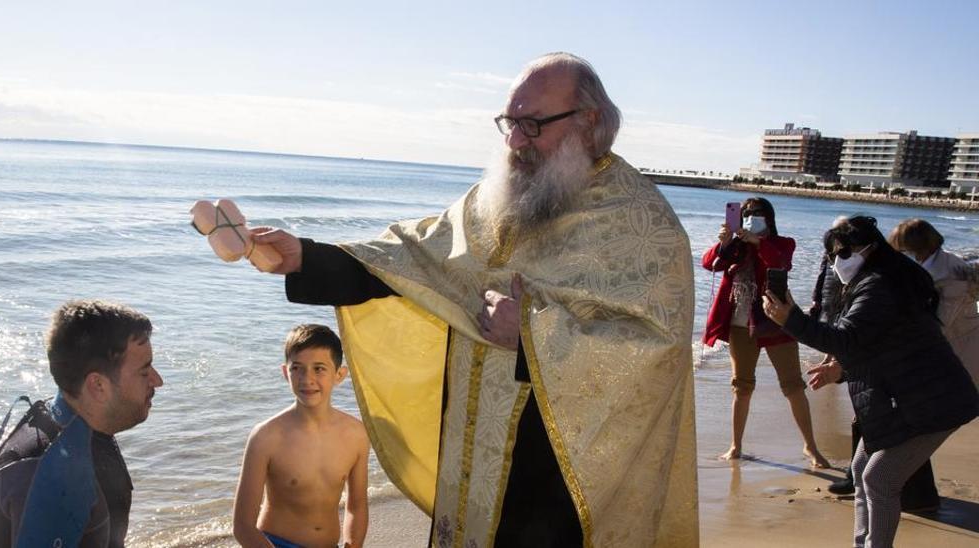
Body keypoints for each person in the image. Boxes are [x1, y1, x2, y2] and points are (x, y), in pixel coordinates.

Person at [251, 52, 698, 547]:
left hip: (566, 479)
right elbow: (416, 256)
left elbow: (658, 349)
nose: (514, 143)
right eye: (509, 123)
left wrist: (530, 336)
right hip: (476, 458)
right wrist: (305, 259)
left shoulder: (643, 225)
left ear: (589, 122)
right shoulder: (499, 197)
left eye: (531, 125)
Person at [763, 216, 978, 547]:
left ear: (871, 248)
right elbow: (878, 345)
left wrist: (791, 320)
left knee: (880, 478)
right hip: (906, 396)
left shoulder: (879, 285)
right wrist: (841, 371)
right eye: (833, 255)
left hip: (931, 401)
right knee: (865, 471)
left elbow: (846, 339)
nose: (838, 261)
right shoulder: (878, 281)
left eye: (845, 252)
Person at [0, 300, 164, 548]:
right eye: (144, 371)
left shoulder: (75, 426)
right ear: (98, 386)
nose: (158, 381)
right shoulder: (53, 474)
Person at [700, 197, 829, 468]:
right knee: (741, 386)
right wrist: (724, 243)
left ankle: (811, 447)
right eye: (746, 214)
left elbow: (779, 263)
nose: (751, 217)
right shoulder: (735, 247)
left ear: (769, 218)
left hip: (777, 321)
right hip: (739, 324)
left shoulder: (783, 243)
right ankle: (735, 446)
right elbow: (709, 264)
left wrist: (759, 242)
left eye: (757, 214)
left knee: (793, 385)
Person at [233, 324, 370, 548]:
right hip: (275, 544)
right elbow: (242, 526)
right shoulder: (266, 437)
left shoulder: (356, 435)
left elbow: (357, 505)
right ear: (286, 373)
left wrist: (353, 544)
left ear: (339, 374)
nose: (307, 379)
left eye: (319, 369)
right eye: (297, 368)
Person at [888, 218, 979, 387]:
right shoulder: (935, 266)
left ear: (918, 249)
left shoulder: (950, 277)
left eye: (899, 252)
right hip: (949, 352)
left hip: (961, 354)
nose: (895, 258)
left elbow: (939, 326)